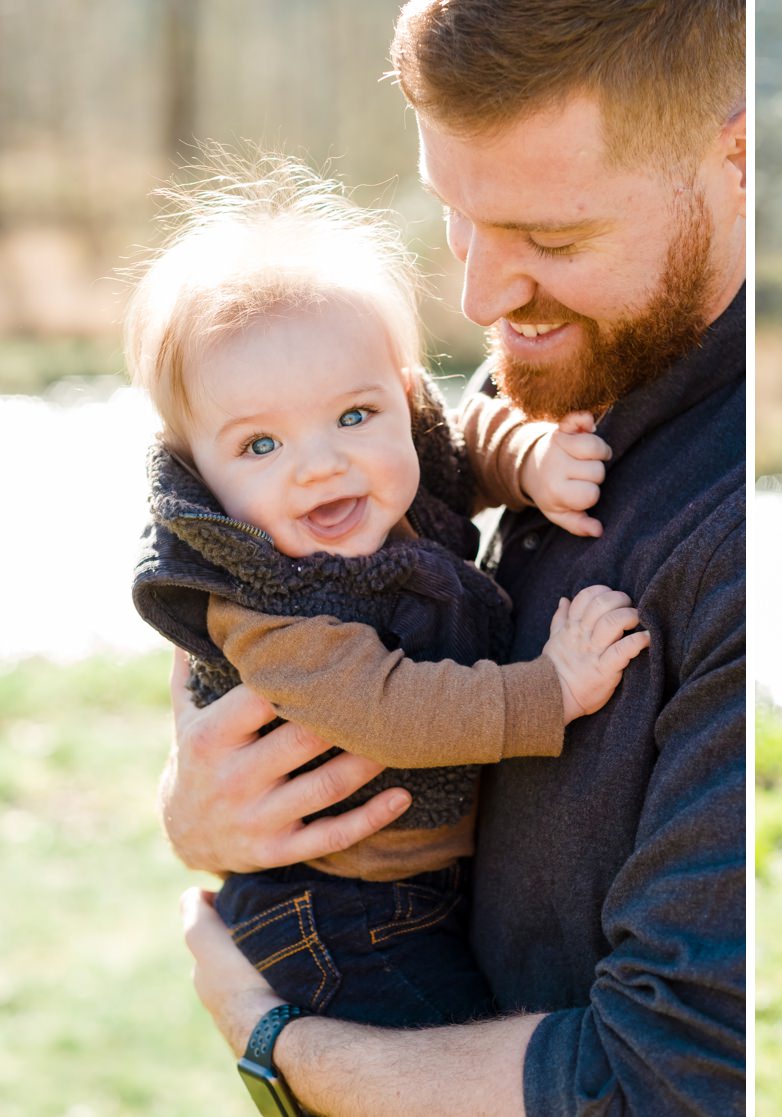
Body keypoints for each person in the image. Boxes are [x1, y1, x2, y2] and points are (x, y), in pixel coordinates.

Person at [166, 2, 747, 1114]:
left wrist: (280, 1049)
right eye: (455, 216)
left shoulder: (733, 534)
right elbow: (264, 580)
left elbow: (671, 1079)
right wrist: (208, 795)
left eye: (552, 239)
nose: (479, 297)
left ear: (738, 155)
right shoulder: (553, 355)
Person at [128, 154, 648, 1029]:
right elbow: (393, 709)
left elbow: (461, 441)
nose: (322, 462)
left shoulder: (390, 463)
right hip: (333, 911)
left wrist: (529, 461)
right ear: (201, 476)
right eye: (261, 446)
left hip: (414, 888)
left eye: (354, 415)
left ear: (402, 399)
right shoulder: (269, 607)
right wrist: (551, 689)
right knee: (439, 1066)